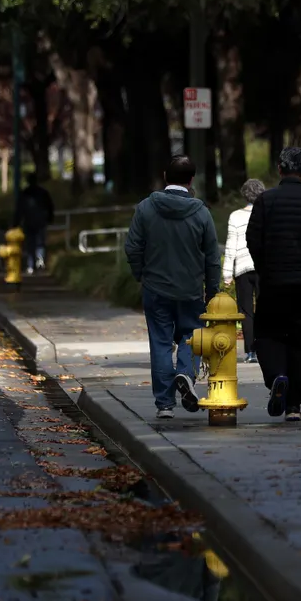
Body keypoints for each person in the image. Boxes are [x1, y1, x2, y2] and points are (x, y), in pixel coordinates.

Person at [125, 155, 222, 421]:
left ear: (165, 177)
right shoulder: (201, 213)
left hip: (156, 289)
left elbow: (132, 247)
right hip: (190, 290)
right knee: (192, 336)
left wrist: (141, 275)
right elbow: (212, 258)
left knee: (160, 343)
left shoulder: (145, 208)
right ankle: (185, 373)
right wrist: (212, 293)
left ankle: (164, 404)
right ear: (191, 180)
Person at [246, 147, 301, 422]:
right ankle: (294, 405)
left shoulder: (265, 201)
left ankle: (277, 377)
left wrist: (265, 269)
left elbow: (253, 240)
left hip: (273, 282)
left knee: (268, 334)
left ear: (279, 169)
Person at [223, 179, 265, 364]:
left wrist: (227, 273)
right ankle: (265, 349)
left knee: (246, 311)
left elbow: (230, 246)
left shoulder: (235, 216)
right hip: (264, 268)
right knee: (266, 309)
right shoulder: (268, 214)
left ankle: (250, 352)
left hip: (242, 268)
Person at [15, 173, 55, 275]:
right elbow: (50, 206)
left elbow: (19, 209)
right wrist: (50, 218)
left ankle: (30, 265)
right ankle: (40, 261)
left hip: (28, 221)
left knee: (30, 243)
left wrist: (16, 222)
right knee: (40, 242)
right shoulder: (43, 193)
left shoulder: (25, 193)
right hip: (41, 220)